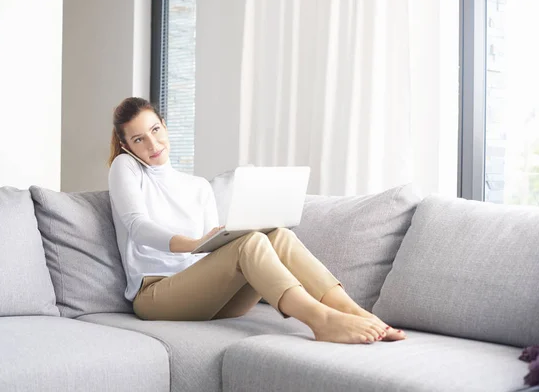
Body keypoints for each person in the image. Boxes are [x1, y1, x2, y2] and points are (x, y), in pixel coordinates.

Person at [107, 97, 406, 344]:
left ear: (165, 126)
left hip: (210, 299)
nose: (152, 143)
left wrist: (214, 242)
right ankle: (321, 320)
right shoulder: (126, 168)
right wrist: (193, 243)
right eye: (138, 139)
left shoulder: (197, 186)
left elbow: (209, 256)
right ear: (126, 146)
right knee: (249, 245)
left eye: (156, 130)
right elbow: (138, 226)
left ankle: (353, 311)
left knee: (278, 235)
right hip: (156, 295)